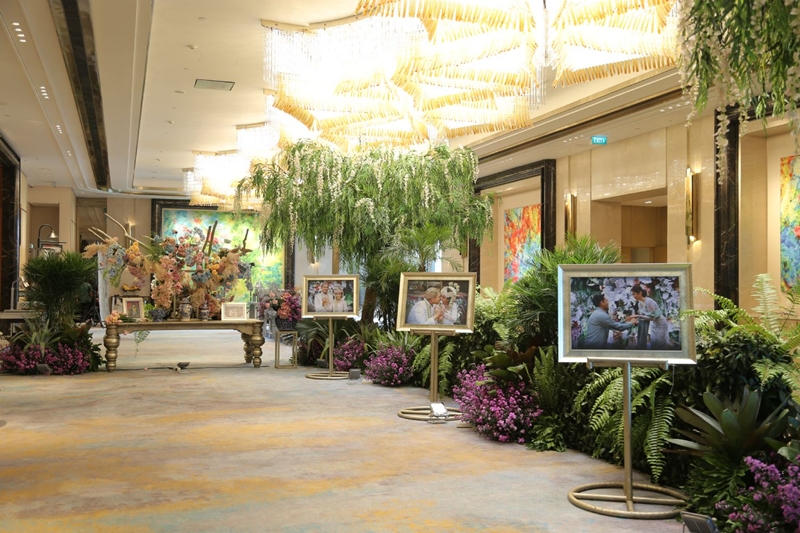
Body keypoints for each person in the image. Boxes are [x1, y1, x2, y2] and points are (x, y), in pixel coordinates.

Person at [630, 285, 669, 349]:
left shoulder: (649, 302)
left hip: (660, 324)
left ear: (640, 293)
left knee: (659, 344)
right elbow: (643, 315)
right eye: (632, 294)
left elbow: (652, 318)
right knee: (654, 344)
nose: (633, 296)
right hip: (653, 325)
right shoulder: (639, 303)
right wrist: (636, 319)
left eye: (634, 294)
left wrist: (638, 316)